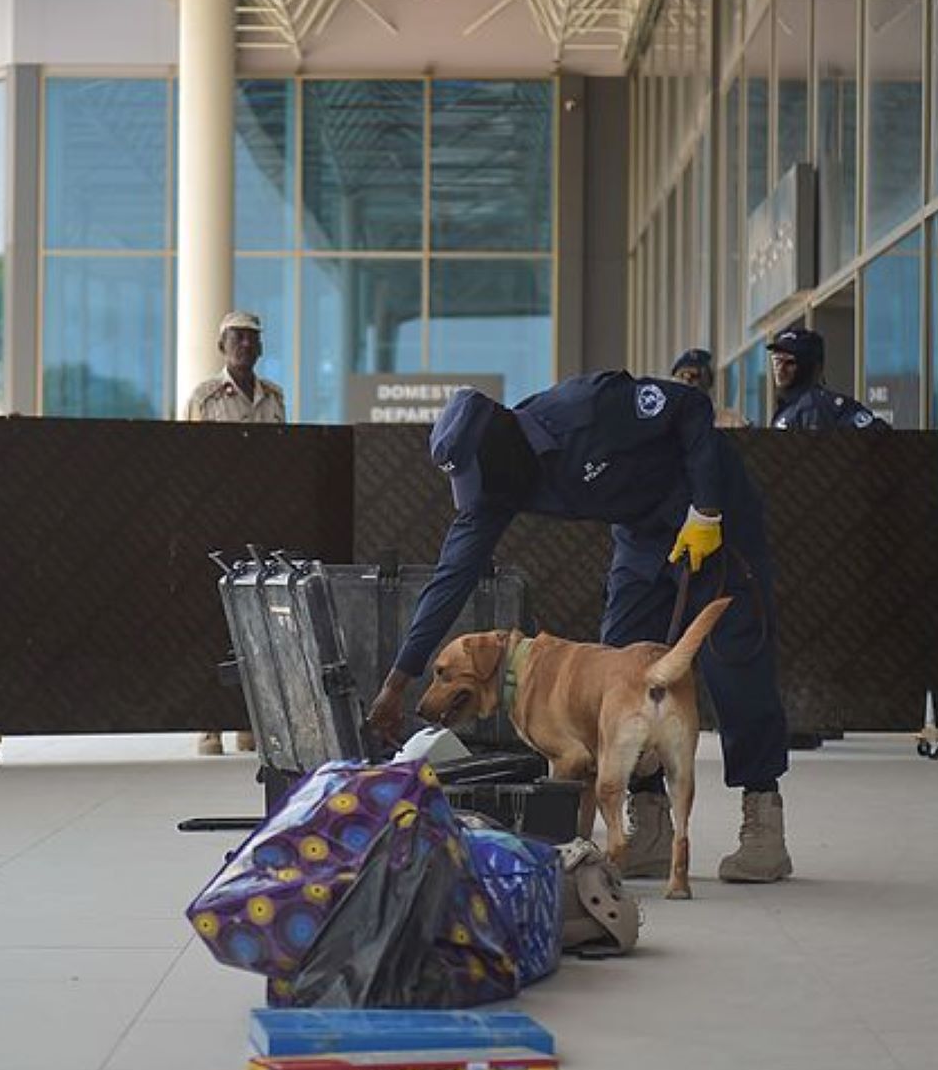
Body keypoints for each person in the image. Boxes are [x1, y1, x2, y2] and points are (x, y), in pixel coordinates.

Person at [365, 375, 794, 884]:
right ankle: (650, 825)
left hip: (713, 512)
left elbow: (690, 406)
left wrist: (705, 507)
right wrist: (397, 683)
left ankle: (762, 819)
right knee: (619, 672)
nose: (487, 496)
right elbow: (450, 579)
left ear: (505, 449)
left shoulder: (589, 408)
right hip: (641, 535)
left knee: (733, 660)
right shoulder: (496, 485)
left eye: (486, 481)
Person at [187, 310, 285, 755]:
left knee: (260, 620)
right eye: (237, 338)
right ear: (222, 345)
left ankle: (250, 720)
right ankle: (210, 723)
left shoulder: (274, 397)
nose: (245, 345)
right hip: (216, 516)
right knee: (210, 619)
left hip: (262, 517)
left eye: (252, 338)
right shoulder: (205, 397)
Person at [766, 327, 885, 430]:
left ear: (808, 365)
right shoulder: (786, 409)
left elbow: (881, 435)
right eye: (776, 361)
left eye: (789, 362)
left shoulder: (821, 405)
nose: (779, 369)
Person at [670, 348, 749, 428]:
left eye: (694, 376)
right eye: (682, 376)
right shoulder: (664, 420)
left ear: (708, 381)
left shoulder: (730, 421)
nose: (686, 382)